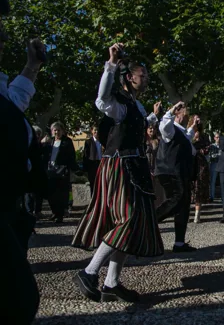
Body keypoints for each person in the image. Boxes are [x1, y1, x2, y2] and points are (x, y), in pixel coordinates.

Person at [72, 43, 164, 303]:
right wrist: (111, 64)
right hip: (118, 167)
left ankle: (111, 283)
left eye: (146, 75)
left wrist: (155, 117)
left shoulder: (136, 105)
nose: (145, 78)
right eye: (141, 74)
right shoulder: (119, 104)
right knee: (129, 220)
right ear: (128, 77)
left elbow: (143, 125)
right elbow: (101, 100)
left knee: (131, 225)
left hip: (135, 167)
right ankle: (89, 272)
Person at [0, 0, 46, 322]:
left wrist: (32, 66)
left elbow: (12, 101)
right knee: (18, 297)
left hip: (9, 203)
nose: (3, 38)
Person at [155, 103, 198, 252]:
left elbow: (187, 138)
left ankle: (179, 243)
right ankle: (149, 221)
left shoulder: (182, 132)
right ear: (178, 115)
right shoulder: (171, 128)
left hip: (180, 172)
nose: (186, 115)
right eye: (184, 114)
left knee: (184, 205)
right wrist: (170, 111)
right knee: (177, 199)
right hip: (169, 171)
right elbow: (163, 127)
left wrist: (193, 126)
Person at [43, 121, 78, 223]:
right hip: (51, 170)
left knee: (61, 194)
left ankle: (60, 215)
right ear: (52, 131)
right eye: (55, 130)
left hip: (62, 171)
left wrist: (73, 169)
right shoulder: (49, 142)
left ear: (62, 131)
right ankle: (54, 212)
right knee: (50, 194)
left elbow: (71, 157)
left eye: (59, 130)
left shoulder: (67, 142)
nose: (57, 132)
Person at [190, 119, 210, 223]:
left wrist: (201, 150)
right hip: (189, 163)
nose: (197, 123)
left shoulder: (204, 136)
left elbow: (207, 149)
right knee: (188, 188)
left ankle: (197, 214)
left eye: (198, 121)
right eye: (195, 121)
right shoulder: (187, 133)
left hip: (200, 164)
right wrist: (194, 139)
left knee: (199, 187)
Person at [83, 125, 103, 195]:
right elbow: (85, 155)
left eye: (97, 130)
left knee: (102, 183)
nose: (96, 131)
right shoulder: (88, 142)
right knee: (93, 184)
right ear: (92, 131)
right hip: (92, 165)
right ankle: (93, 200)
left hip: (102, 164)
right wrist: (85, 169)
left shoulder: (103, 141)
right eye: (95, 130)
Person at [208, 132, 221, 202]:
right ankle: (212, 196)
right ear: (214, 138)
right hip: (214, 164)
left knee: (222, 181)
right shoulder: (212, 146)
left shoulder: (222, 146)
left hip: (221, 165)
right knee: (213, 181)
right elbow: (211, 156)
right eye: (217, 137)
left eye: (219, 137)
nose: (218, 139)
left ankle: (223, 197)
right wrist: (219, 155)